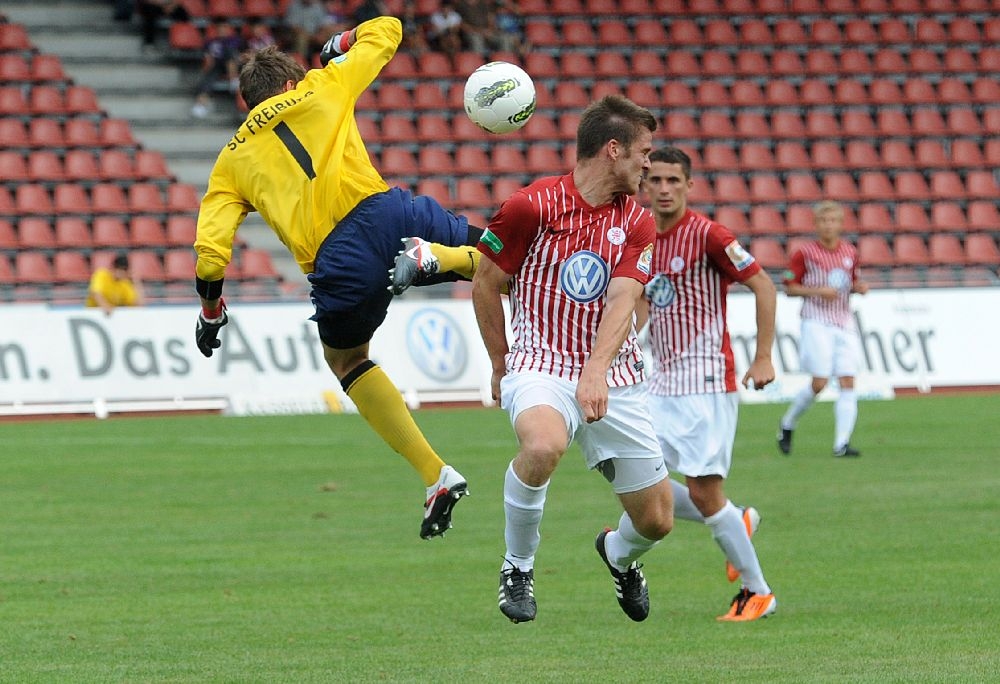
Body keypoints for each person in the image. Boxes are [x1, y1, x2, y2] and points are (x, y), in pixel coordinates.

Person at [192, 16, 480, 540]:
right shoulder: (324, 83)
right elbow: (388, 29)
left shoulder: (229, 161)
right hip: (393, 210)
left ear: (248, 103)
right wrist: (340, 44)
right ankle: (454, 257)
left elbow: (211, 256)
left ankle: (436, 474)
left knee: (347, 359)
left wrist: (211, 313)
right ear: (289, 83)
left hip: (339, 257)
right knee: (498, 256)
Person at [471, 95, 674, 624]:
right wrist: (500, 363)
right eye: (643, 152)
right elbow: (486, 282)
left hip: (615, 376)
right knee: (543, 446)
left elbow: (623, 297)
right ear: (613, 150)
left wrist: (596, 373)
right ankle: (517, 566)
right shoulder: (529, 207)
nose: (649, 164)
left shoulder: (638, 222)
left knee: (655, 522)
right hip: (540, 362)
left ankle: (618, 554)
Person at [636, 146, 777, 622]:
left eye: (673, 180)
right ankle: (736, 521)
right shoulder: (641, 239)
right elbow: (641, 305)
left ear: (689, 185)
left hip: (705, 382)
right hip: (659, 382)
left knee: (702, 490)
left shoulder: (710, 235)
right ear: (643, 185)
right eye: (655, 180)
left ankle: (758, 592)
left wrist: (762, 357)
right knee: (635, 471)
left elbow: (764, 285)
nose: (664, 189)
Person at [777, 200, 870, 458]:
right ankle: (787, 423)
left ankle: (841, 444)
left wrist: (859, 288)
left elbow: (850, 283)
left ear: (841, 224)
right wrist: (817, 290)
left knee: (848, 380)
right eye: (824, 221)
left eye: (833, 221)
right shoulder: (804, 254)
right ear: (816, 225)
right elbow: (789, 287)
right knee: (819, 382)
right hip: (815, 320)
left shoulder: (850, 252)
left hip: (843, 321)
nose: (829, 226)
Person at [191, 21, 243, 119]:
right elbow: (206, 55)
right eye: (220, 28)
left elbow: (241, 54)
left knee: (229, 53)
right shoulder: (210, 42)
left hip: (234, 64)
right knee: (206, 80)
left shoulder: (235, 40)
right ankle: (200, 105)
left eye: (224, 28)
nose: (222, 31)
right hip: (216, 65)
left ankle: (233, 79)